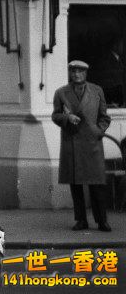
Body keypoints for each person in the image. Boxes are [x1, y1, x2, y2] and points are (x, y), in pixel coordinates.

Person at [52, 59, 112, 232]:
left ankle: (102, 221)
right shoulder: (61, 93)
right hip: (72, 143)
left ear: (86, 73)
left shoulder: (97, 91)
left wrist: (98, 131)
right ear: (70, 73)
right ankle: (81, 220)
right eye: (73, 71)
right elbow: (56, 115)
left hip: (93, 144)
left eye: (80, 71)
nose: (76, 74)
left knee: (97, 185)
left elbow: (104, 117)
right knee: (76, 186)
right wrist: (67, 118)